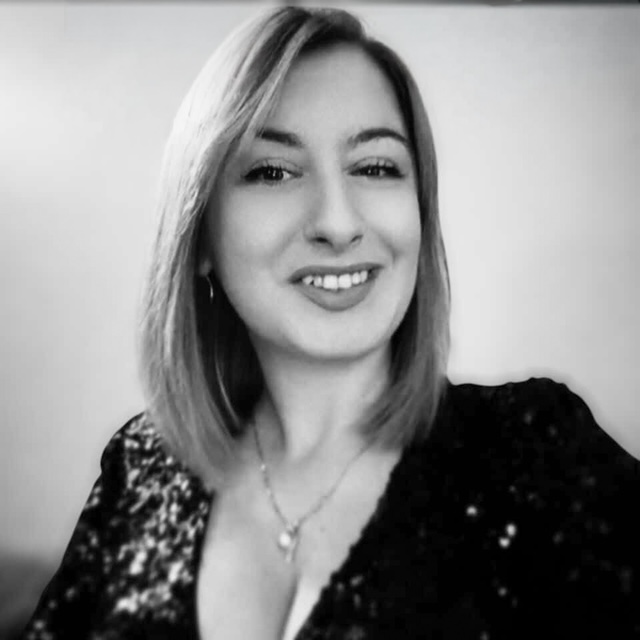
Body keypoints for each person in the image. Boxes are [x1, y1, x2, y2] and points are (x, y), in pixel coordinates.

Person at [22, 6, 639, 640]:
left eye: (375, 167)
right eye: (272, 172)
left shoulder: (533, 455)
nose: (338, 224)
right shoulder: (140, 466)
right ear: (200, 231)